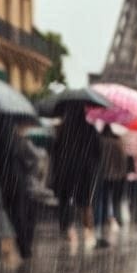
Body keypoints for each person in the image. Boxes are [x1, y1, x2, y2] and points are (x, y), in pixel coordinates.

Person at [50, 106, 100, 247]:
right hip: (85, 171)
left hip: (65, 171)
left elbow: (55, 152)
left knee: (65, 200)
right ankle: (88, 232)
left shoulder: (63, 130)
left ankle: (69, 230)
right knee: (85, 201)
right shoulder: (90, 129)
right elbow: (97, 152)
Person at [93, 125, 129, 247]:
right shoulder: (116, 143)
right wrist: (123, 175)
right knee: (115, 200)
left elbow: (95, 159)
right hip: (116, 176)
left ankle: (100, 224)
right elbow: (123, 161)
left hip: (101, 176)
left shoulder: (99, 142)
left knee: (101, 201)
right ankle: (117, 219)